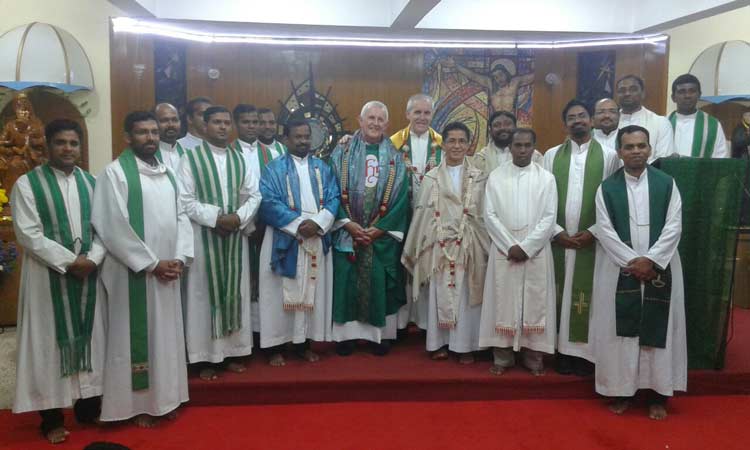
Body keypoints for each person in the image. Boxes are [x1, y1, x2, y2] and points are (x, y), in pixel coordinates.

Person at [92, 111, 192, 427]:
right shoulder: (114, 174)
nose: (150, 138)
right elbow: (111, 225)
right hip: (132, 273)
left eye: (154, 132)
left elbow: (182, 216)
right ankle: (135, 406)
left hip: (168, 270)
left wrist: (180, 257)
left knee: (166, 336)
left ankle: (166, 398)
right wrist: (152, 263)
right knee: (133, 338)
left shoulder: (168, 173)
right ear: (127, 137)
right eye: (142, 132)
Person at [11, 119, 105, 444]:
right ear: (48, 146)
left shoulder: (92, 183)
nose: (68, 148)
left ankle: (88, 408)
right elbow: (28, 233)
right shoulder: (27, 184)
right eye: (61, 142)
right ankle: (50, 418)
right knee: (47, 344)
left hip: (89, 274)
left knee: (92, 339)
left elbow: (104, 228)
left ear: (80, 147)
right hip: (47, 276)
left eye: (73, 143)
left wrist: (93, 258)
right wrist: (70, 261)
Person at [592, 125, 686, 420]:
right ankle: (622, 391)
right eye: (629, 147)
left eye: (641, 146)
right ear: (619, 152)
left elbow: (674, 225)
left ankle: (658, 395)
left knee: (658, 330)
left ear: (650, 149)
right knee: (621, 332)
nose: (636, 151)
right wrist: (633, 261)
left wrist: (653, 260)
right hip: (621, 267)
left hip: (661, 267)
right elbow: (605, 230)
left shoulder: (666, 183)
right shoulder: (607, 188)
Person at [178, 106, 262, 380]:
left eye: (226, 122)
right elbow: (185, 200)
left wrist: (237, 218)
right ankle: (204, 358)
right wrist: (216, 218)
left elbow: (254, 195)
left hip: (234, 237)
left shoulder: (240, 159)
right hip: (204, 238)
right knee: (203, 295)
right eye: (217, 122)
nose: (223, 127)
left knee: (235, 292)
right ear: (205, 125)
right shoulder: (190, 159)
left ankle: (233, 353)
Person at [543, 100, 620, 376]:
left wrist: (594, 232)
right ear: (565, 124)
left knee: (589, 297)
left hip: (593, 243)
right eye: (572, 117)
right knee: (559, 293)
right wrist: (556, 231)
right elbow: (543, 197)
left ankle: (586, 354)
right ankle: (560, 352)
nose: (578, 120)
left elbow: (614, 198)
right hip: (559, 241)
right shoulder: (551, 155)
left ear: (592, 120)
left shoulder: (609, 156)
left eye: (582, 115)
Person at [402, 122, 489, 363]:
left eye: (462, 141)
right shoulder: (431, 178)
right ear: (443, 144)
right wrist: (433, 236)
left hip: (470, 243)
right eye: (452, 141)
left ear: (469, 145)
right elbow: (422, 213)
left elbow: (484, 213)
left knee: (466, 295)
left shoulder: (480, 177)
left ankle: (465, 346)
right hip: (437, 245)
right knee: (438, 292)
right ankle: (438, 343)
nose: (457, 146)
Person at [257, 119, 340, 365]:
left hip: (316, 236)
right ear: (286, 139)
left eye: (306, 136)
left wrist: (318, 223)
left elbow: (334, 197)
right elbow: (268, 201)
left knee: (311, 291)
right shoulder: (273, 168)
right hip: (284, 237)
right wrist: (299, 226)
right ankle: (275, 346)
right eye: (298, 137)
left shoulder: (322, 167)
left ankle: (303, 343)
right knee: (277, 294)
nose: (303, 141)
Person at [329, 101, 409, 356]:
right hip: (347, 233)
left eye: (380, 119)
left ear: (387, 124)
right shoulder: (341, 153)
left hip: (380, 237)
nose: (375, 123)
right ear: (360, 121)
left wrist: (380, 229)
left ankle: (379, 336)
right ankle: (346, 337)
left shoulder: (396, 158)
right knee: (346, 281)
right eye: (370, 118)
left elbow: (401, 199)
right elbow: (331, 190)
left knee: (378, 281)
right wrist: (348, 224)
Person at [480, 128, 557, 376]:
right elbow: (489, 214)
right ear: (510, 147)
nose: (522, 150)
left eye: (527, 145)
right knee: (502, 301)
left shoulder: (546, 178)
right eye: (518, 145)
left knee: (535, 302)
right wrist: (509, 245)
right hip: (505, 250)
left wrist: (527, 247)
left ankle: (533, 357)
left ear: (534, 147)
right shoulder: (496, 176)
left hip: (535, 251)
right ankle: (502, 357)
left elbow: (549, 217)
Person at [390, 93, 443, 333]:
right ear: (407, 114)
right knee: (400, 267)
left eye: (427, 113)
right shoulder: (393, 144)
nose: (422, 117)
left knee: (427, 264)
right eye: (417, 112)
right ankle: (401, 322)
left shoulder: (443, 144)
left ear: (432, 115)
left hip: (432, 217)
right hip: (401, 215)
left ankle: (424, 322)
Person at [232, 103, 284, 335]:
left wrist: (265, 222)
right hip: (240, 228)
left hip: (269, 226)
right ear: (236, 124)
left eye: (255, 122)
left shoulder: (273, 153)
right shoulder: (230, 153)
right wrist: (247, 225)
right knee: (244, 280)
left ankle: (267, 332)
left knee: (268, 280)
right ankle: (247, 335)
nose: (252, 126)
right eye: (247, 122)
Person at [615, 75, 674, 161]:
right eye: (622, 90)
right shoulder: (610, 122)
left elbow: (663, 160)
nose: (627, 93)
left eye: (633, 89)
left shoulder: (661, 123)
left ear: (643, 93)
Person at [669, 73, 728, 158]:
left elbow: (721, 159)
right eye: (682, 92)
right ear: (673, 97)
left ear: (699, 95)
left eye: (692, 91)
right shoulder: (664, 123)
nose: (687, 96)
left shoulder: (713, 125)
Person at [474, 111, 542, 174]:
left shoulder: (534, 156)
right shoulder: (481, 157)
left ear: (515, 127)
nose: (502, 128)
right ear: (490, 130)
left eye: (508, 124)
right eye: (497, 125)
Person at [154, 103, 186, 170]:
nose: (171, 125)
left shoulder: (187, 152)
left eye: (175, 120)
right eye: (164, 120)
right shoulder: (149, 155)